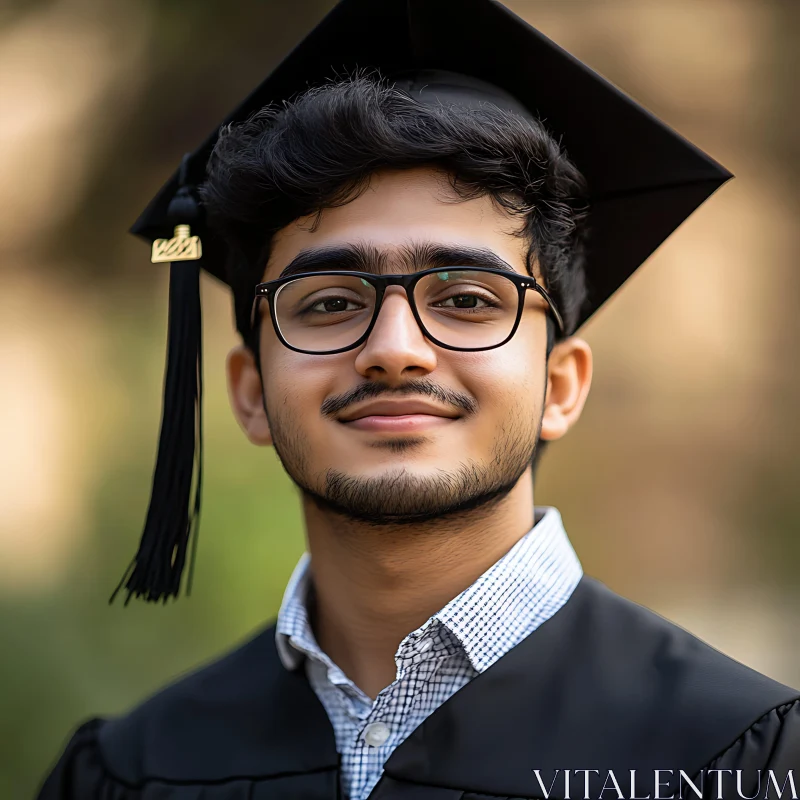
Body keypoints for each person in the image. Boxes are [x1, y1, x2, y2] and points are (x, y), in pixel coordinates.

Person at [38, 1, 800, 798]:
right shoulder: (133, 772)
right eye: (329, 302)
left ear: (561, 386)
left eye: (467, 298)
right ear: (251, 392)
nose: (394, 349)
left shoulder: (731, 759)